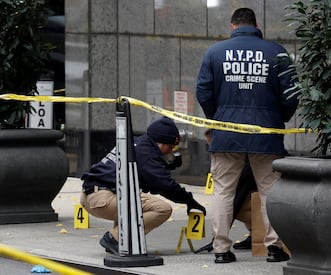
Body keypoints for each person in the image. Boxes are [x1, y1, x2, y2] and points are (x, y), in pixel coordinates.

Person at [196, 8, 299, 264]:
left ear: (233, 26)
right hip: (266, 133)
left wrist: (217, 117)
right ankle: (274, 247)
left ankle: (221, 249)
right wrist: (279, 119)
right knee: (269, 191)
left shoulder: (215, 52)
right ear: (256, 25)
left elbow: (203, 91)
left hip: (227, 133)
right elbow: (292, 93)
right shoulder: (276, 52)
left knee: (223, 191)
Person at [80, 116, 206, 254]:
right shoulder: (147, 155)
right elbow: (165, 186)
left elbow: (146, 178)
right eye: (170, 146)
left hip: (90, 196)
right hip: (102, 199)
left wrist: (165, 166)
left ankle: (121, 243)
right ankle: (116, 239)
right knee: (162, 209)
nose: (171, 151)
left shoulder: (137, 143)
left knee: (133, 195)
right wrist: (189, 200)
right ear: (161, 142)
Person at [195, 129, 257, 253]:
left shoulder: (242, 162)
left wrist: (216, 241)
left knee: (231, 202)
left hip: (258, 191)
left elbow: (236, 199)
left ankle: (260, 235)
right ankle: (258, 236)